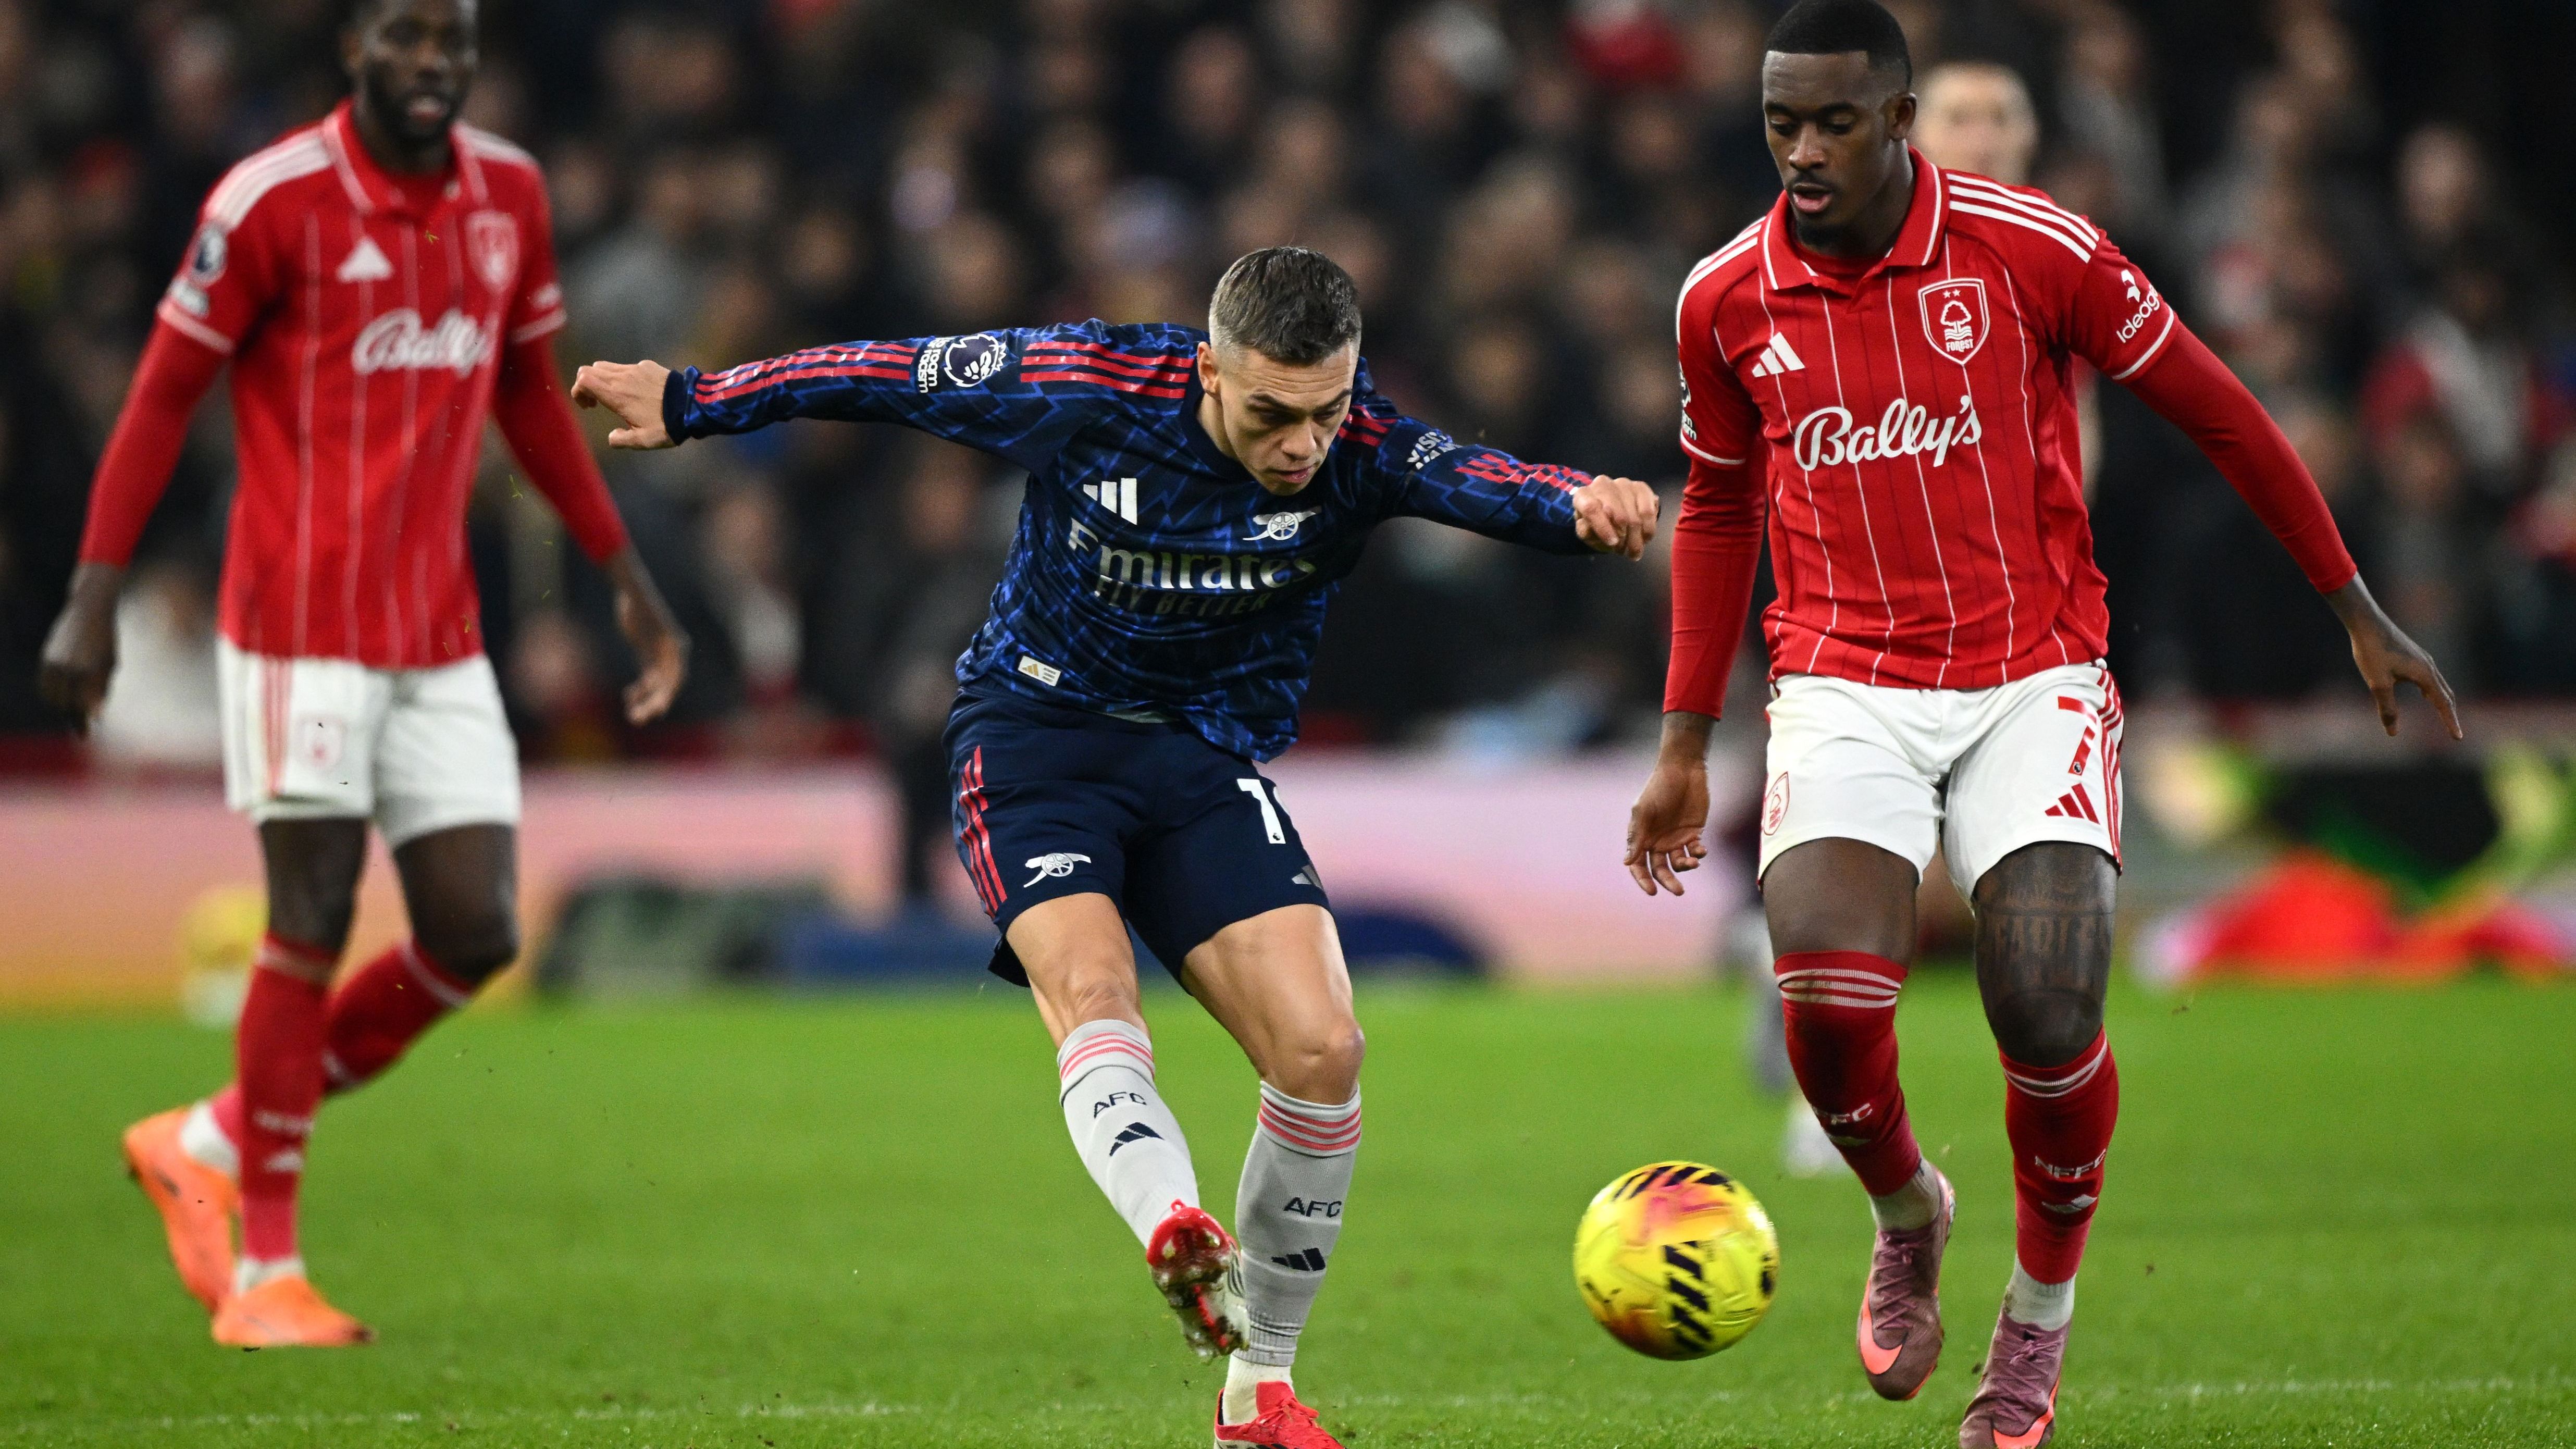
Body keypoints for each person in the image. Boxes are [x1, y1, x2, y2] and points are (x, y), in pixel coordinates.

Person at [574, 246, 1657, 1448]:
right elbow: (886, 371)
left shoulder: (1357, 452)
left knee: (1325, 1046)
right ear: (1208, 369)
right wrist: (693, 402)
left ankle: (1260, 1391)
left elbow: (1478, 478)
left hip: (1199, 766)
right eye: (1271, 414)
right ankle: (1173, 1226)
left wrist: (1579, 498)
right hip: (1035, 743)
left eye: (1326, 410)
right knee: (1093, 986)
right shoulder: (1088, 384)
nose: (1303, 444)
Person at [1621, 4, 2458, 1446]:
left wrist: (2353, 602)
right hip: (1841, 675)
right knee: (1826, 1010)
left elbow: (2224, 412)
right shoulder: (1723, 298)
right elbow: (1716, 507)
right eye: (1780, 127)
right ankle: (1908, 1211)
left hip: (2033, 672)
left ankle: (2036, 1325)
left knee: (2050, 1008)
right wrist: (1687, 739)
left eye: (1831, 124)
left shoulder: (2035, 249)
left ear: (1896, 119)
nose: (1801, 155)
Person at [38, 0, 688, 1348]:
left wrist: (619, 565)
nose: (434, 63)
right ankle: (266, 1266)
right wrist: (92, 597)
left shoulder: (509, 193)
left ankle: (208, 1132)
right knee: (312, 912)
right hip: (295, 622)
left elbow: (524, 389)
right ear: (354, 50)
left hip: (439, 629)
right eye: (405, 38)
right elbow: (163, 392)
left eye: (453, 39)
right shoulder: (269, 202)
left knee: (475, 930)